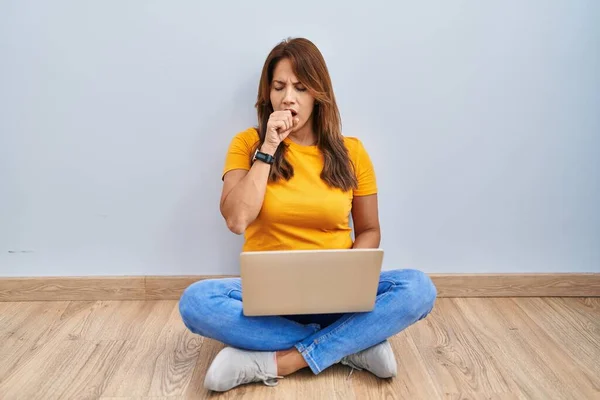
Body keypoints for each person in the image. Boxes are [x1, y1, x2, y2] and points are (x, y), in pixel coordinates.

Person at [178, 37, 437, 392]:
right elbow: (237, 220)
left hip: (337, 296)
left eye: (300, 87)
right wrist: (268, 149)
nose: (288, 98)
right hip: (266, 299)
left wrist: (350, 278)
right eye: (279, 87)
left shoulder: (353, 152)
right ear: (267, 94)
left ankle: (273, 360)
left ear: (318, 94)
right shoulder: (248, 144)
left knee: (418, 287)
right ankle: (351, 346)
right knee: (196, 302)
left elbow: (370, 229)